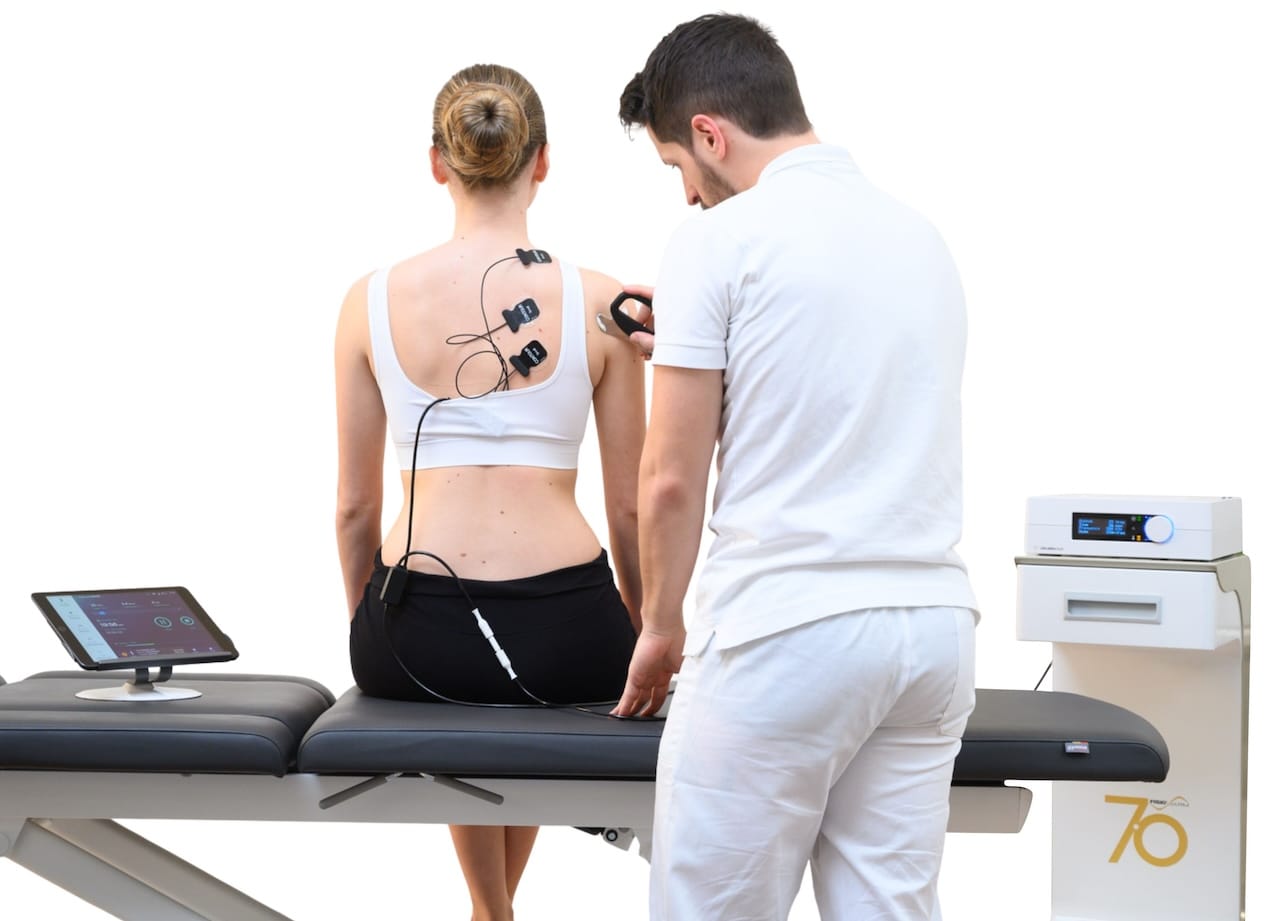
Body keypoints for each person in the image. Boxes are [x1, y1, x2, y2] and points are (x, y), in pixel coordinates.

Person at [611, 14, 981, 921]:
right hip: (930, 634)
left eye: (676, 166)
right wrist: (706, 351)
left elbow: (669, 478)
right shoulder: (920, 235)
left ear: (710, 134)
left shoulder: (718, 240)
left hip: (786, 636)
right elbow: (840, 396)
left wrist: (659, 624)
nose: (687, 195)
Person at [334, 63, 646, 921]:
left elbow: (355, 507)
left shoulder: (368, 302)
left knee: (467, 682)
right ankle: (494, 908)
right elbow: (631, 506)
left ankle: (490, 907)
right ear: (541, 161)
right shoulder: (605, 304)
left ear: (438, 162)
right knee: (522, 688)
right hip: (572, 630)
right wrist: (650, 627)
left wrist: (369, 617)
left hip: (415, 630)